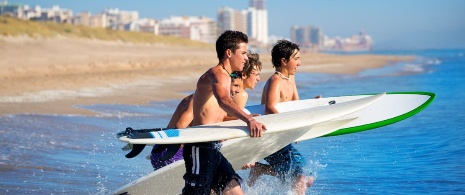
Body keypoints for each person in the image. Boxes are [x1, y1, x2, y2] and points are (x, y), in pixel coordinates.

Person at [182, 30, 266, 195]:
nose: (246, 58)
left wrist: (240, 119)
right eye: (243, 53)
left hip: (213, 146)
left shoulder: (226, 76)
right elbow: (224, 100)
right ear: (229, 53)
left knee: (235, 190)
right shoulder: (218, 73)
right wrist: (248, 119)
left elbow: (217, 114)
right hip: (200, 144)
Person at [247, 40, 313, 195]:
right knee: (300, 177)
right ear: (284, 61)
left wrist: (314, 104)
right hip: (270, 139)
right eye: (296, 59)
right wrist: (289, 129)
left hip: (281, 138)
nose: (299, 63)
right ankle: (260, 169)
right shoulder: (275, 81)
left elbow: (296, 105)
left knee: (307, 178)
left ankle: (261, 169)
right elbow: (270, 108)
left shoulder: (290, 78)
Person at [150, 74, 243, 170]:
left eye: (240, 87)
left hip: (183, 152)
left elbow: (221, 120)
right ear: (225, 84)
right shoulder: (198, 99)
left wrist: (247, 119)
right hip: (170, 152)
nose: (238, 90)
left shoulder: (218, 103)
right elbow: (180, 126)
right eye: (235, 85)